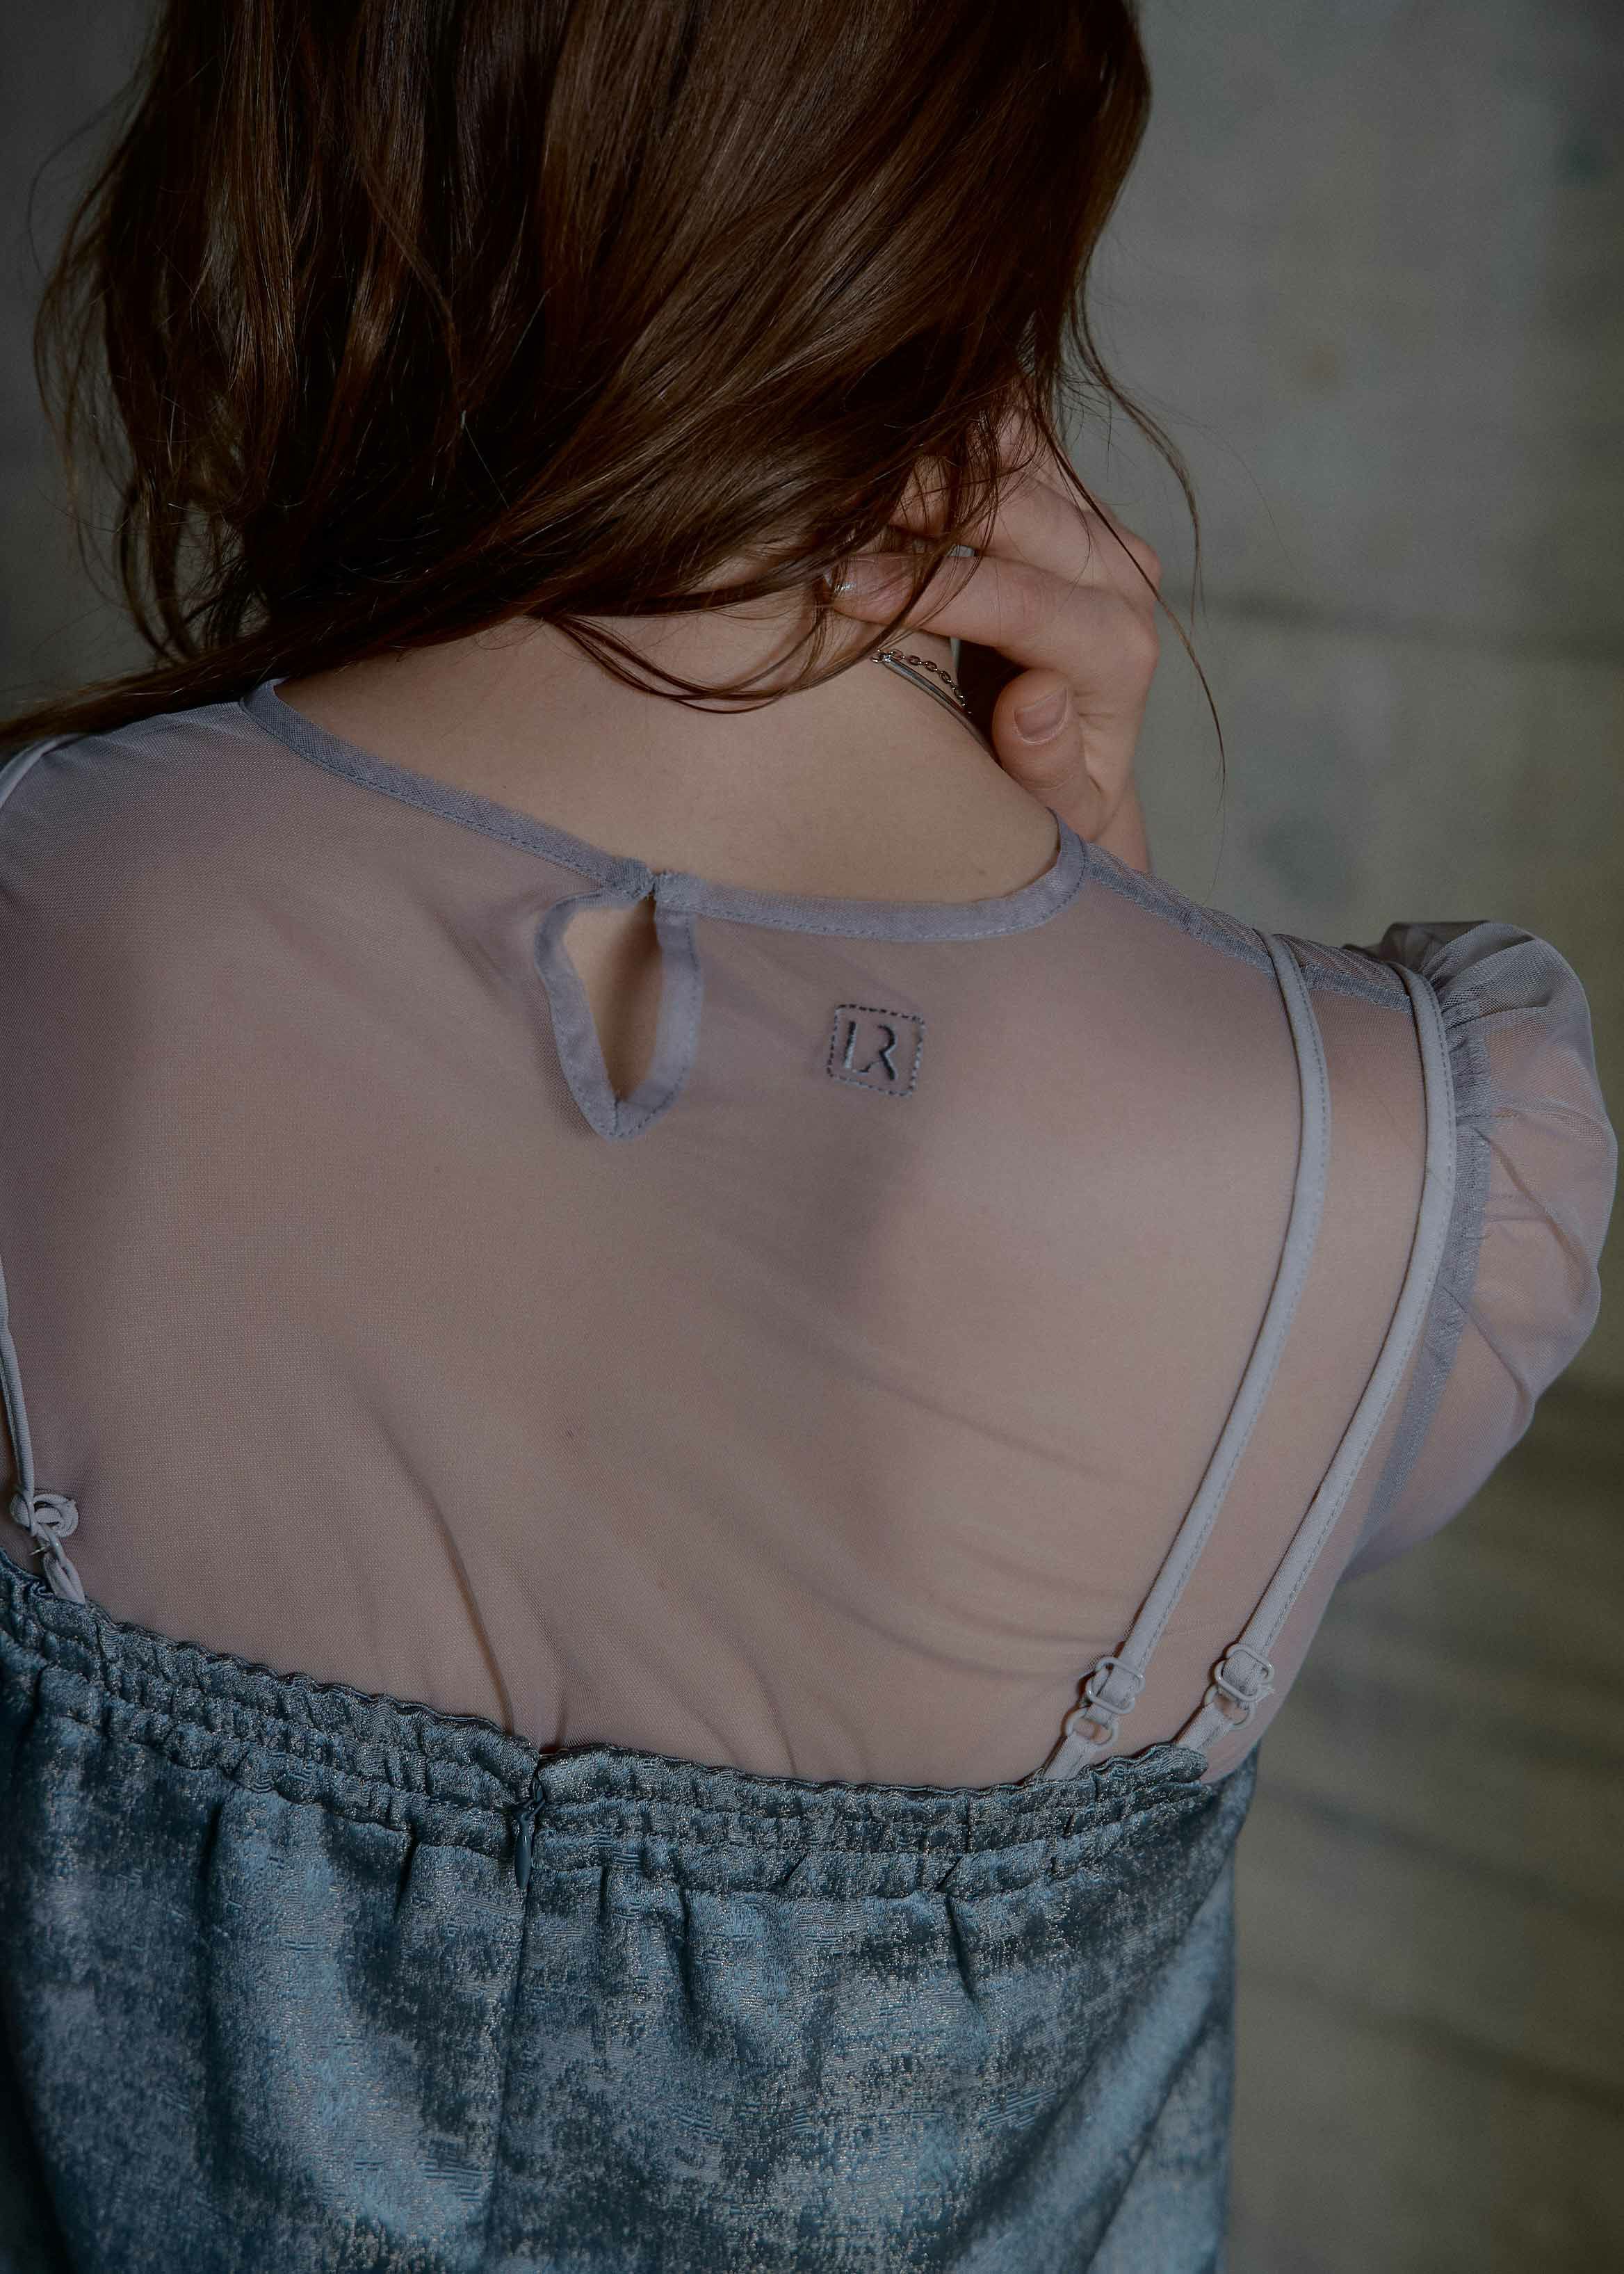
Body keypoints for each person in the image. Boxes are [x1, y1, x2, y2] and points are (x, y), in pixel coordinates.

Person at [0, 4, 1614, 2268]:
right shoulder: (1398, 1149)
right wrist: (1105, 908)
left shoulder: (47, 905)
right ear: (991, 205)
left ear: (295, 138)